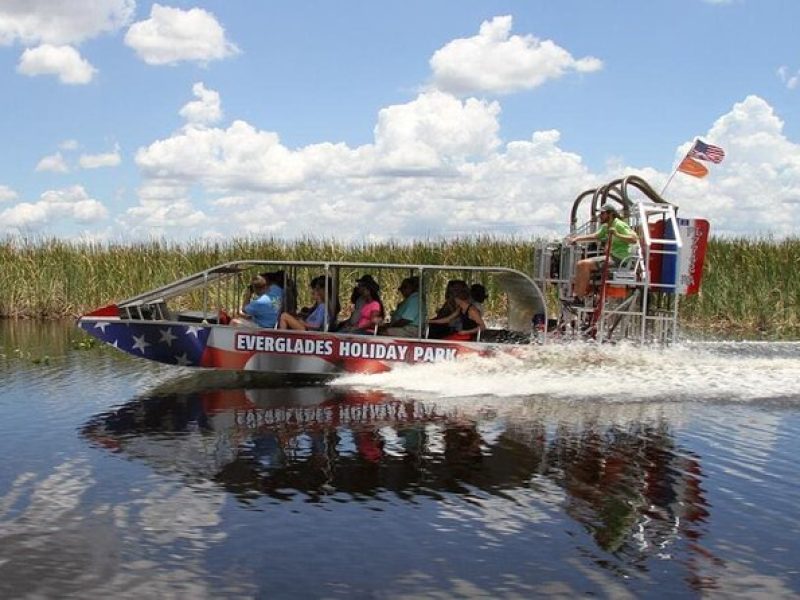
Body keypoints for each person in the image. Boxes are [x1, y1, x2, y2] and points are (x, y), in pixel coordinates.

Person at [566, 204, 639, 302]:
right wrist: (577, 239)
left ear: (611, 214)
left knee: (584, 265)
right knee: (580, 265)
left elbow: (634, 239)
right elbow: (596, 236)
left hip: (619, 259)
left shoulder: (618, 224)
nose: (600, 215)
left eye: (603, 213)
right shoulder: (606, 226)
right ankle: (576, 296)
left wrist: (617, 234)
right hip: (612, 257)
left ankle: (579, 298)